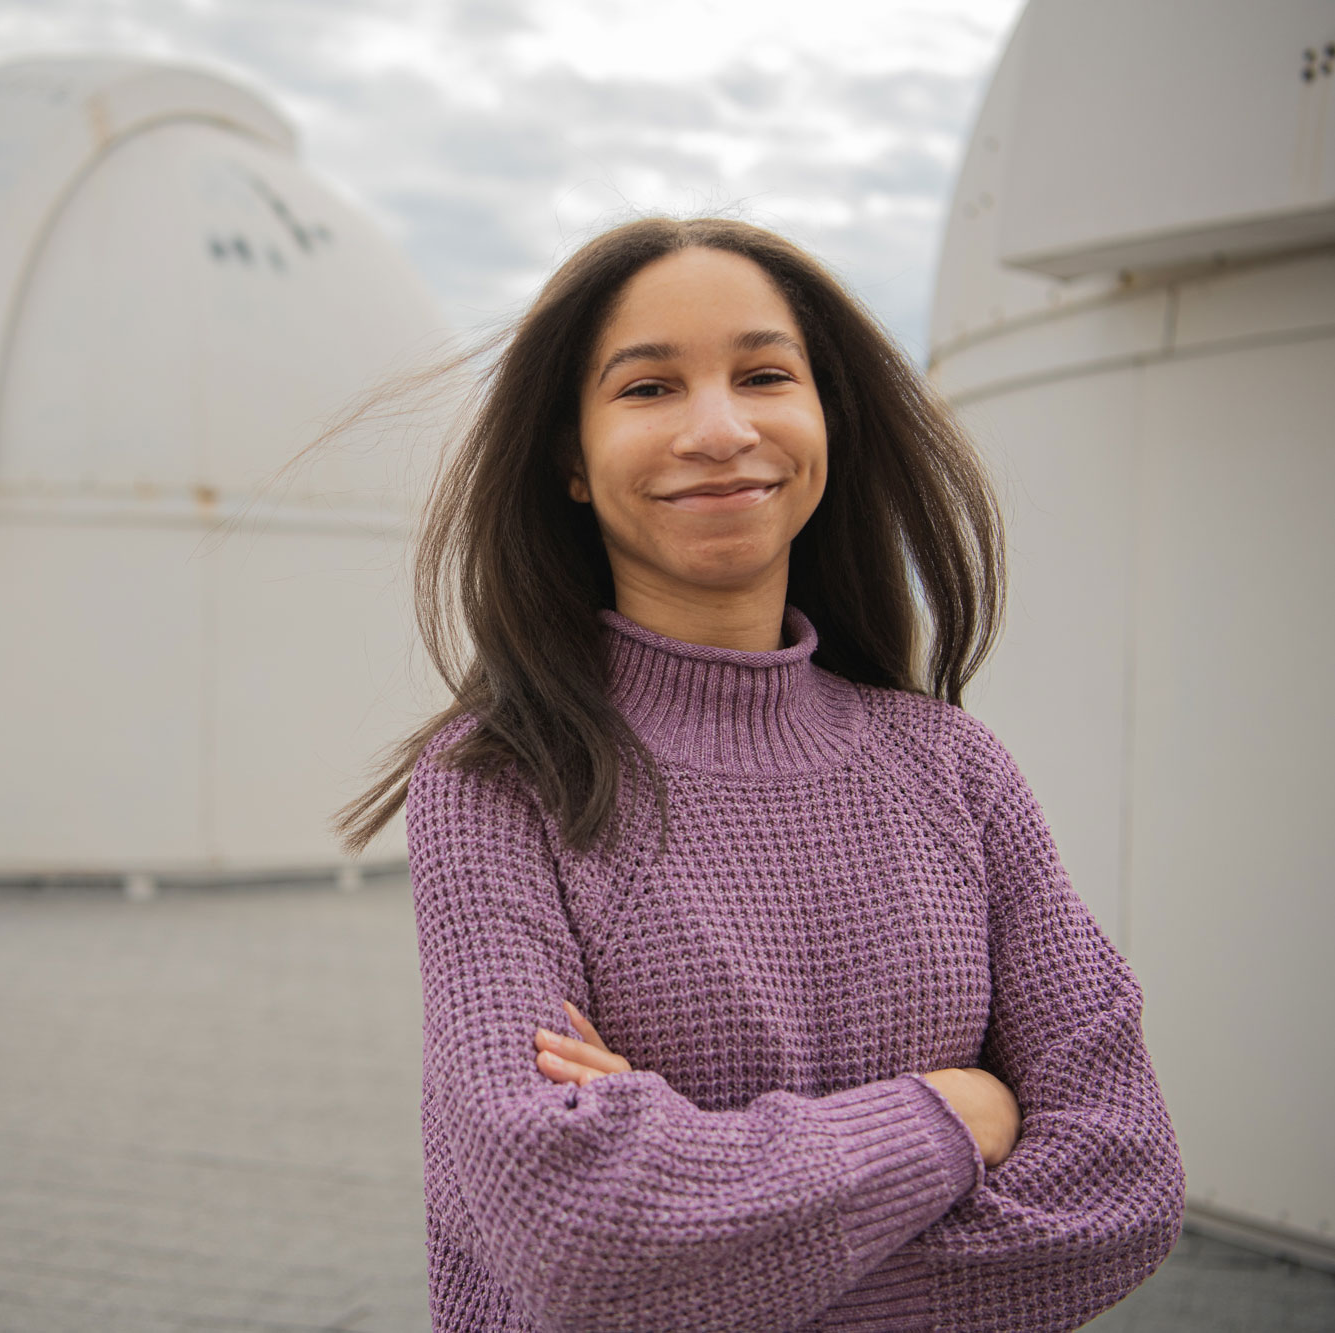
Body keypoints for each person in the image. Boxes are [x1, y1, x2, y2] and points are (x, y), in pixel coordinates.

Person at [335, 217, 1186, 1331]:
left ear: (823, 418)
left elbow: (1122, 1178)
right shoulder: (503, 778)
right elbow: (576, 1226)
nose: (720, 428)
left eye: (764, 375)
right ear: (569, 462)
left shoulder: (954, 769)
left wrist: (716, 1246)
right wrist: (948, 1115)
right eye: (647, 389)